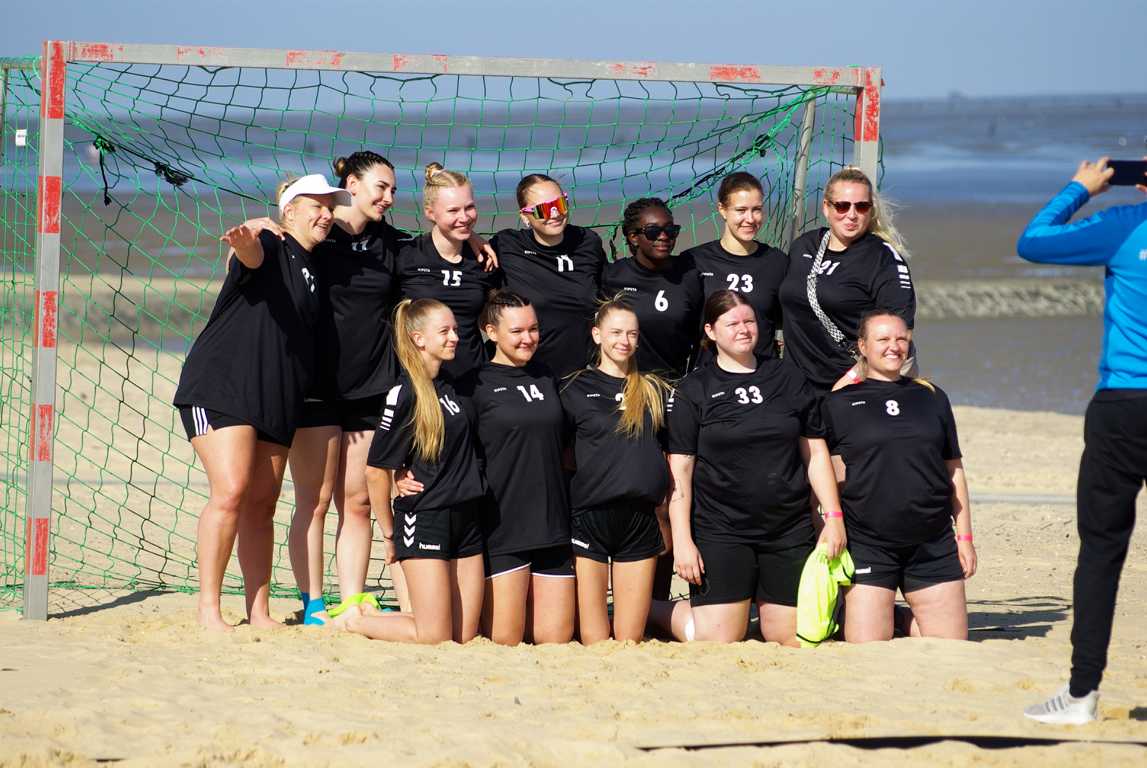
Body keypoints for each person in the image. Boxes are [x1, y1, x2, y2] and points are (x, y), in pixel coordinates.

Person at [173, 174, 349, 630]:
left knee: (262, 503)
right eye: (317, 205)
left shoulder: (315, 263)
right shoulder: (272, 241)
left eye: (331, 207)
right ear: (289, 211)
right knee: (231, 490)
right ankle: (209, 610)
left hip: (276, 397)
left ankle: (259, 611)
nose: (326, 214)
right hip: (222, 387)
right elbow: (251, 255)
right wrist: (246, 240)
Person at [1021, 157, 1147, 725]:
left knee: (1101, 553)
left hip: (1124, 406)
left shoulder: (1125, 224)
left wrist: (1079, 187)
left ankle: (1081, 694)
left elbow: (1034, 241)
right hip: (1122, 408)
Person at [654, 290, 845, 644]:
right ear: (711, 331)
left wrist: (833, 518)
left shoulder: (788, 377)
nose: (743, 330)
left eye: (749, 321)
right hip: (721, 530)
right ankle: (649, 608)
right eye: (732, 324)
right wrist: (683, 541)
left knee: (791, 638)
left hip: (787, 529)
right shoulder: (694, 389)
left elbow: (816, 454)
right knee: (717, 639)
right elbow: (680, 473)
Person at [821, 310, 975, 642]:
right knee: (868, 645)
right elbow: (827, 472)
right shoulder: (838, 402)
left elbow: (954, 470)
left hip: (931, 539)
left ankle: (900, 617)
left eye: (901, 338)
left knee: (951, 644)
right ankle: (871, 609)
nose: (894, 346)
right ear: (863, 346)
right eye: (883, 339)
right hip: (868, 541)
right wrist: (829, 523)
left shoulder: (932, 396)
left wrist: (964, 538)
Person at [341, 298, 487, 643]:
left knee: (465, 637)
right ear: (418, 339)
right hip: (425, 517)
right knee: (434, 636)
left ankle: (384, 617)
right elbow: (376, 470)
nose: (455, 337)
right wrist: (389, 533)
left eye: (455, 329)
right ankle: (354, 621)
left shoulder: (454, 386)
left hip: (467, 517)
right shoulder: (404, 393)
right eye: (445, 331)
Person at [438, 290, 575, 645]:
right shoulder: (473, 385)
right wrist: (404, 472)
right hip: (501, 525)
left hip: (552, 524)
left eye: (533, 329)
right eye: (517, 331)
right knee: (505, 640)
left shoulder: (547, 376)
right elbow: (448, 441)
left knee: (555, 641)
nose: (528, 338)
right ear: (491, 332)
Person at [561, 297, 671, 643]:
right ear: (597, 335)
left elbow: (673, 454)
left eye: (632, 334)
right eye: (616, 332)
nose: (624, 340)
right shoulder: (574, 388)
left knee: (629, 640)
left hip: (639, 519)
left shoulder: (655, 390)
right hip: (590, 516)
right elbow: (559, 453)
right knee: (594, 639)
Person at [778, 167, 916, 393]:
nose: (851, 215)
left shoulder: (883, 258)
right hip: (797, 385)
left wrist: (850, 380)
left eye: (861, 206)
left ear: (870, 210)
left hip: (852, 384)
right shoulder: (804, 246)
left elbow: (901, 334)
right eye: (842, 206)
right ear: (826, 207)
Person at [491, 175, 605, 377]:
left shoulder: (587, 242)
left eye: (559, 203)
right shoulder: (506, 245)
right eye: (543, 209)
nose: (555, 213)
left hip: (581, 374)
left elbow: (607, 298)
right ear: (525, 216)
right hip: (527, 373)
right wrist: (474, 239)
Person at [396, 163, 502, 380]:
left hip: (474, 377)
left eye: (469, 207)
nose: (464, 217)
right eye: (453, 210)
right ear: (430, 213)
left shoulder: (484, 259)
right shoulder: (406, 255)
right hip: (421, 379)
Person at [682, 172, 787, 361]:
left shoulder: (777, 262)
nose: (750, 219)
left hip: (763, 372)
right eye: (741, 210)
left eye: (756, 209)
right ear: (722, 210)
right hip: (710, 372)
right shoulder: (694, 261)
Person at [601, 198, 704, 381]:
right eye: (653, 231)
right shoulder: (612, 277)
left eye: (670, 230)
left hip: (673, 383)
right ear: (633, 237)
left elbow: (700, 337)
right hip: (624, 383)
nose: (663, 236)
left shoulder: (689, 277)